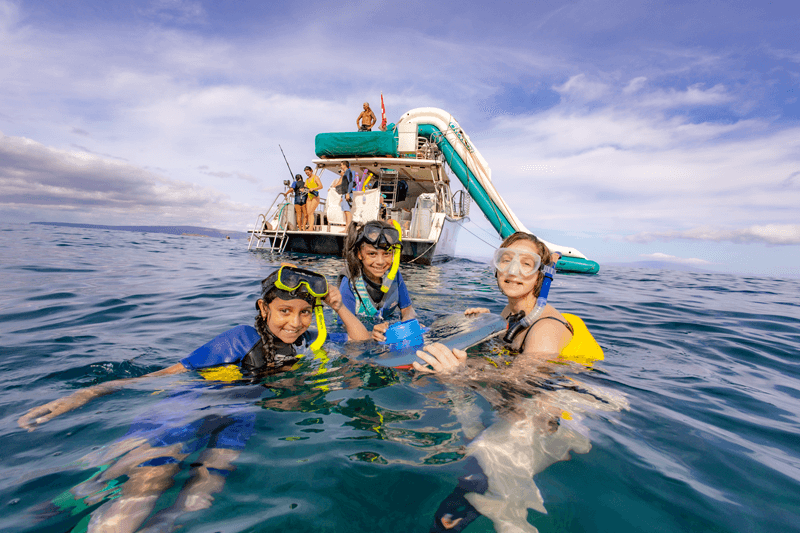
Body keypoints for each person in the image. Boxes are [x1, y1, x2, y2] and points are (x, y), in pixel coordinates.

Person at [18, 265, 369, 533]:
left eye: (304, 312)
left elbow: (362, 344)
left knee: (199, 499)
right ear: (264, 308)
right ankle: (70, 502)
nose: (294, 322)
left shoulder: (307, 345)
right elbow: (168, 373)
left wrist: (338, 306)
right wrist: (86, 393)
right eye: (285, 311)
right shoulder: (240, 338)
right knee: (150, 475)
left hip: (238, 420)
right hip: (190, 406)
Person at [412, 232, 607, 533]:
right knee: (474, 458)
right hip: (530, 407)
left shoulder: (544, 329)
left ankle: (511, 520)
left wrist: (461, 374)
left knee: (486, 461)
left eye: (526, 264)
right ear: (497, 268)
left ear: (540, 275)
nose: (514, 270)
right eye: (506, 260)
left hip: (563, 413)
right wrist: (486, 322)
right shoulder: (510, 313)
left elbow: (526, 382)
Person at [340, 220, 417, 342]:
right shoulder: (349, 281)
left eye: (386, 254)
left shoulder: (394, 275)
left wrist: (409, 324)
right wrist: (371, 334)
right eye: (372, 254)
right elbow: (344, 326)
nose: (380, 261)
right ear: (360, 254)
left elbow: (407, 309)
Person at [332, 161, 354, 227]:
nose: (341, 166)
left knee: (347, 211)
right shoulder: (345, 173)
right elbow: (345, 185)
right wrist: (342, 196)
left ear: (345, 165)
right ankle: (347, 228)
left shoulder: (348, 172)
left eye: (341, 165)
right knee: (345, 211)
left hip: (347, 193)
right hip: (344, 193)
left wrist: (348, 193)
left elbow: (350, 183)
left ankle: (348, 228)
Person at [304, 166, 323, 230]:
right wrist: (303, 189)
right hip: (309, 197)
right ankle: (310, 226)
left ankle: (311, 227)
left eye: (308, 172)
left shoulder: (315, 177)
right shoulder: (306, 180)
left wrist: (314, 188)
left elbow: (321, 186)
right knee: (308, 212)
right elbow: (305, 187)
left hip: (315, 196)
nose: (307, 174)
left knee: (311, 211)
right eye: (306, 173)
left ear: (311, 170)